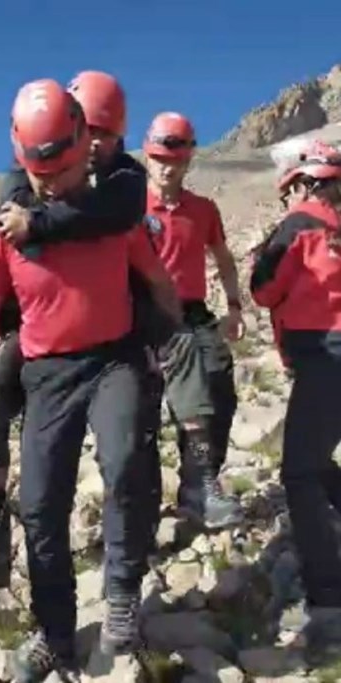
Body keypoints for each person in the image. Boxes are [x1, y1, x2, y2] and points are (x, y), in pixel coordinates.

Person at [0, 80, 181, 679]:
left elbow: (158, 281)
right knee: (40, 509)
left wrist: (166, 343)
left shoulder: (111, 212)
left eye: (65, 169)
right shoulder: (5, 230)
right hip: (47, 375)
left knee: (125, 466)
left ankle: (120, 601)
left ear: (86, 145)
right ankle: (55, 635)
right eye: (42, 173)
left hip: (114, 359)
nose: (54, 183)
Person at [0, 70, 154, 591]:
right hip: (39, 337)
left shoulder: (124, 186)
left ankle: (132, 555)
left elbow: (117, 215)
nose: (101, 147)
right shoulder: (19, 190)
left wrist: (39, 224)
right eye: (96, 133)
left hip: (110, 336)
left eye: (108, 136)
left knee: (128, 449)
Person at [250, 139, 341, 663]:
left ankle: (327, 596)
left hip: (327, 359)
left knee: (300, 474)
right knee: (318, 456)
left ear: (304, 183)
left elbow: (264, 288)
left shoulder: (300, 223)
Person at [141, 112, 244, 529]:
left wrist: (234, 307)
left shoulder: (202, 210)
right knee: (153, 407)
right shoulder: (129, 208)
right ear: (148, 157)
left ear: (188, 162)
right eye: (159, 158)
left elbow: (223, 259)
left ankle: (198, 484)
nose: (167, 167)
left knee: (221, 391)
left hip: (195, 311)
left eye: (176, 160)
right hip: (146, 313)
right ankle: (152, 501)